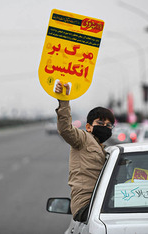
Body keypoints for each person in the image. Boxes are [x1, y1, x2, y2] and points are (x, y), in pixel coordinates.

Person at [54, 81, 115, 222]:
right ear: (88, 126)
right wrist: (64, 99)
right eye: (100, 123)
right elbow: (65, 130)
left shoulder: (107, 151)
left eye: (109, 125)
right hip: (86, 205)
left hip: (103, 203)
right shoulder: (83, 138)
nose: (105, 127)